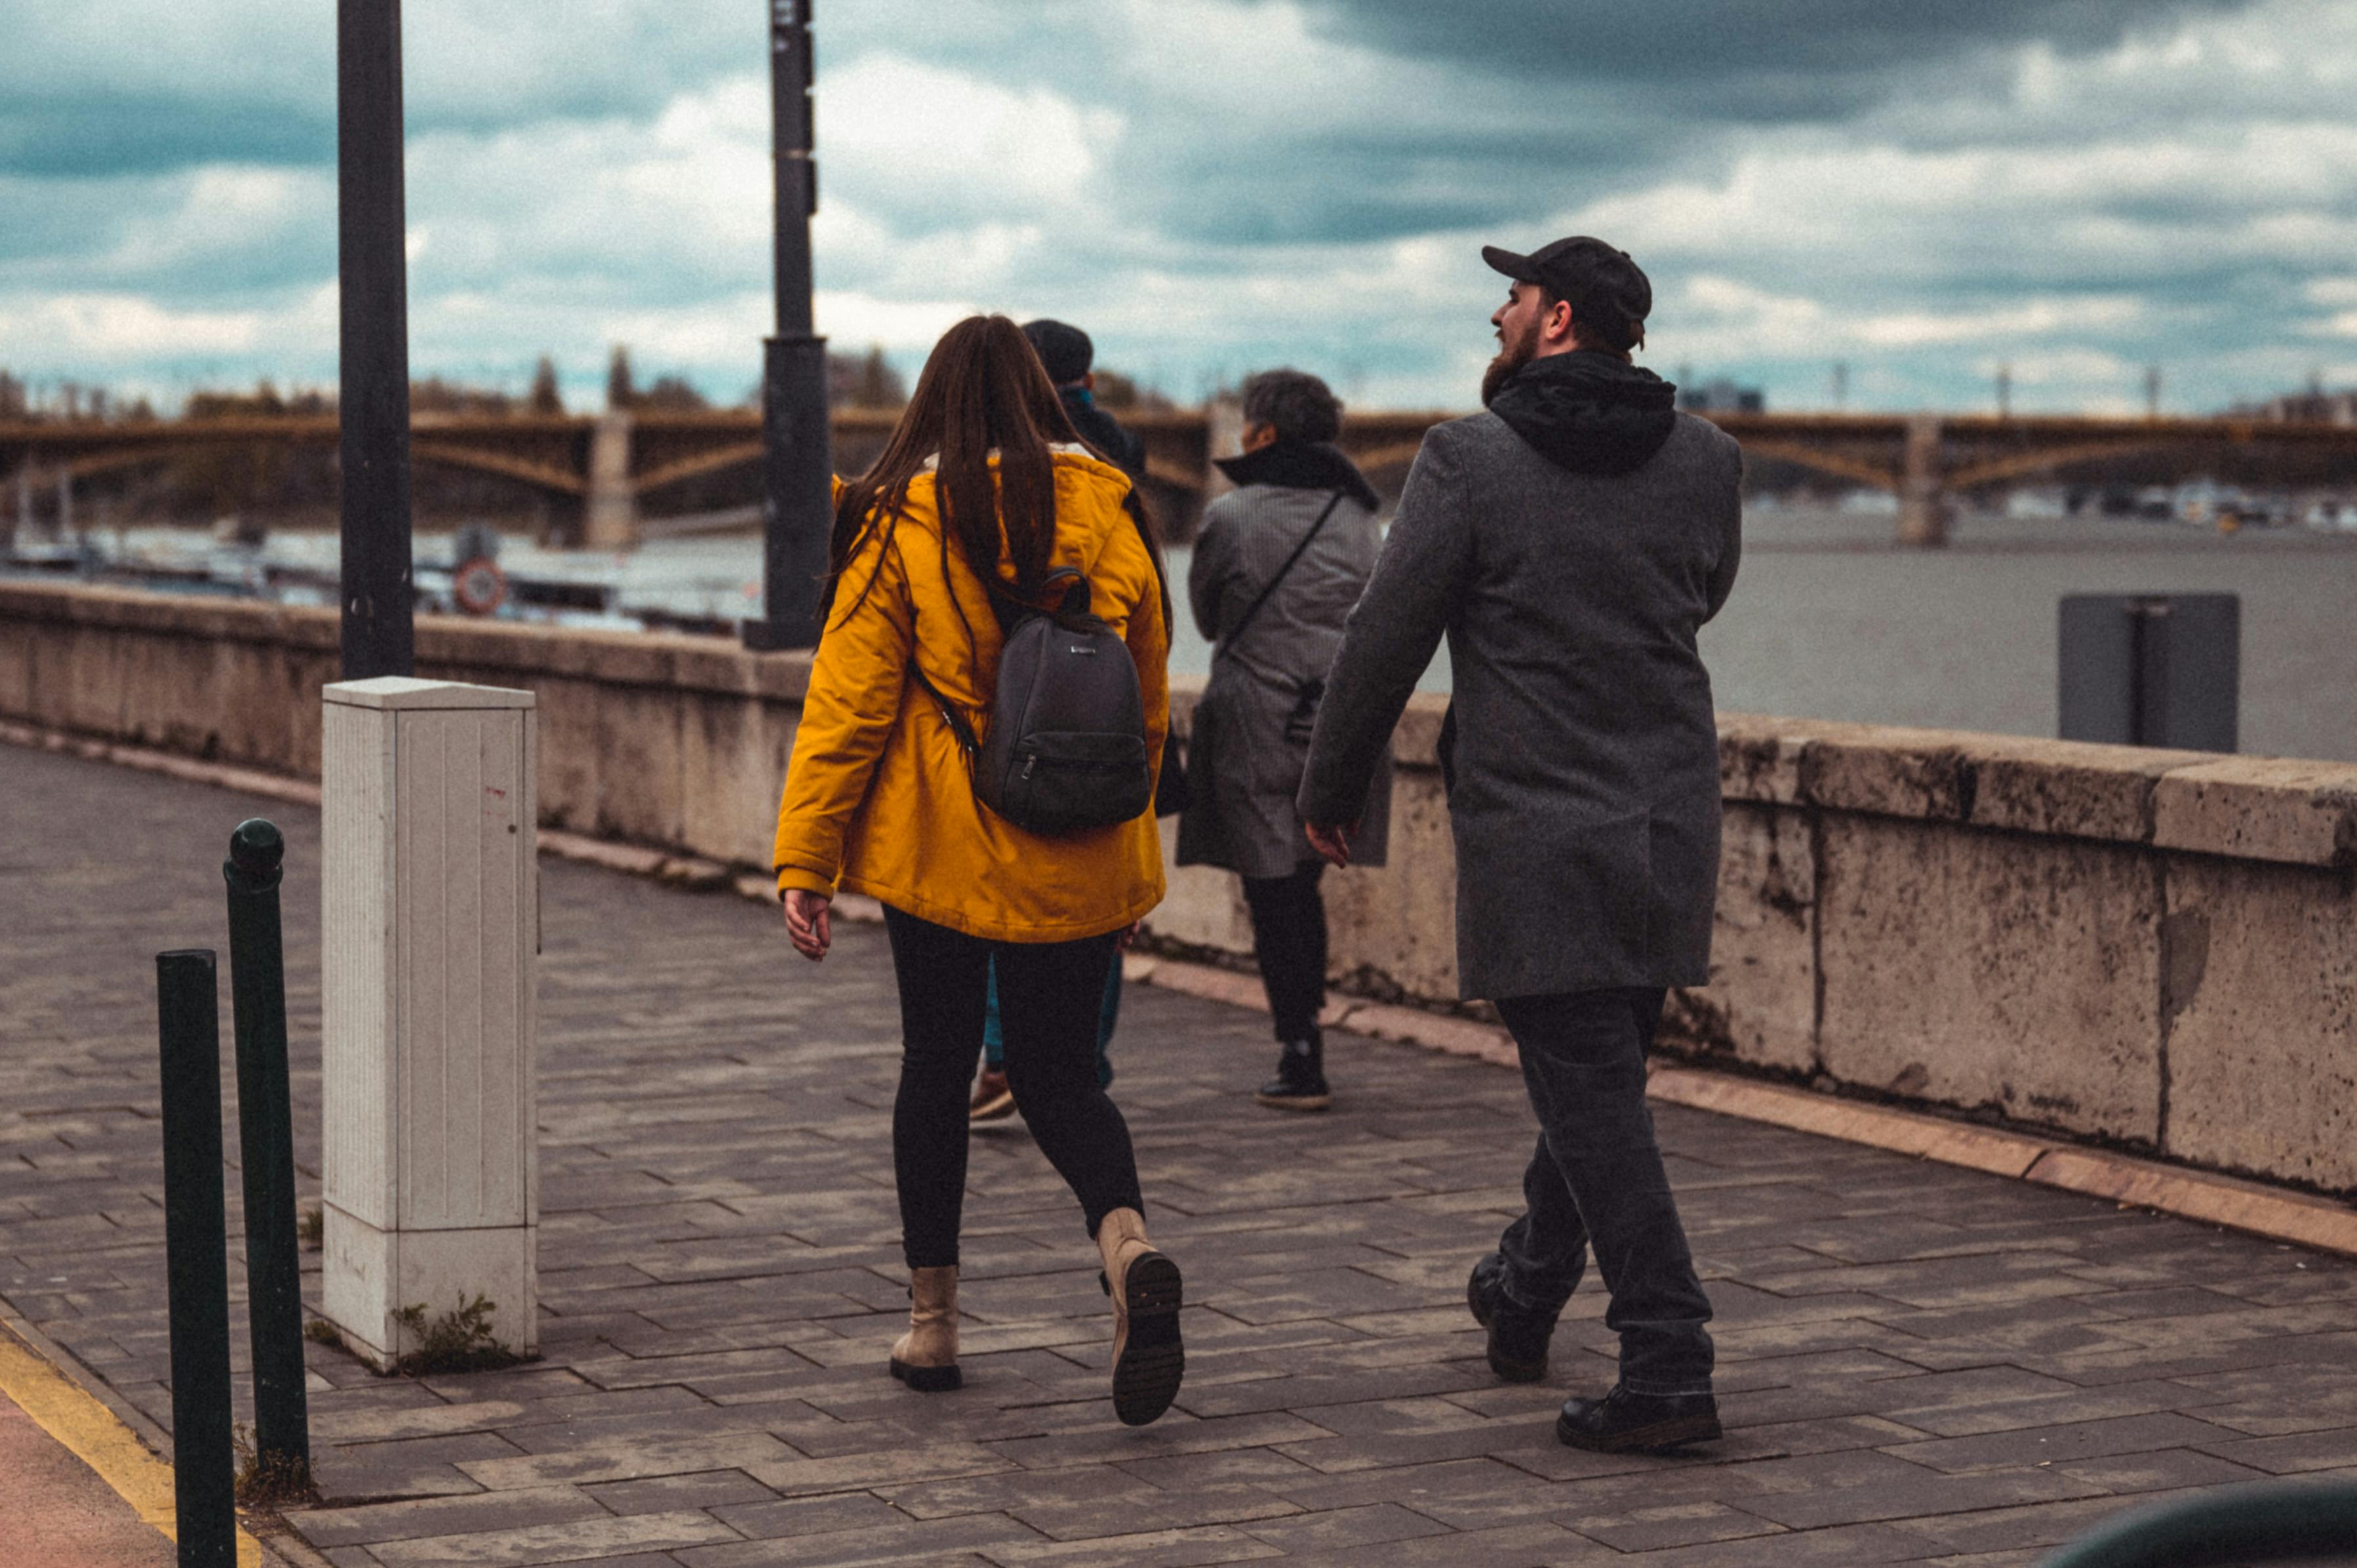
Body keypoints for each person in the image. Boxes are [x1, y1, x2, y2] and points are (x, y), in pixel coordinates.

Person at [1297, 237, 1739, 1455]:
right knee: (1593, 1083)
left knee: (1592, 1093)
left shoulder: (1471, 455)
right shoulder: (1709, 457)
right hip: (1665, 819)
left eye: (1513, 293)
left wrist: (1331, 781)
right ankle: (1525, 1283)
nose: (1496, 310)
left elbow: (1389, 633)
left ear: (1555, 319)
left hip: (1537, 822)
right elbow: (1704, 592)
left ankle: (1668, 1353)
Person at [773, 314, 1185, 1427]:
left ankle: (935, 1324)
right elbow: (1144, 698)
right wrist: (1128, 860)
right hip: (1077, 837)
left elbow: (849, 703)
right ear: (1047, 401)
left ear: (931, 402)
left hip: (943, 847)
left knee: (937, 1065)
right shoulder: (1113, 510)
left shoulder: (895, 515)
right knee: (1061, 1078)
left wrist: (807, 856)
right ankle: (1126, 1242)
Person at [1178, 368, 1389, 1110]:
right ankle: (1305, 1034)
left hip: (1255, 719)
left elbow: (1206, 618)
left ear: (1264, 434)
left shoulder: (1231, 518)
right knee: (1303, 880)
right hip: (1339, 721)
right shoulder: (1364, 519)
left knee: (1272, 891)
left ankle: (1299, 1047)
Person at [966, 319, 1151, 1124]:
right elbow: (1148, 607)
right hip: (1106, 695)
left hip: (1022, 698)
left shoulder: (992, 462)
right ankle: (1085, 1060)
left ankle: (1007, 1060)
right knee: (1100, 901)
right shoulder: (1119, 453)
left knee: (1006, 888)